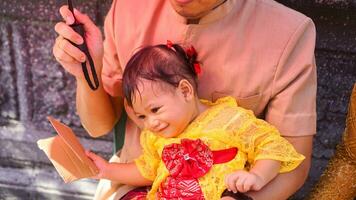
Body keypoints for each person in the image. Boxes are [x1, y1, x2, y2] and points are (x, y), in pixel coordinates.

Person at [52, 0, 317, 199]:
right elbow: (99, 126)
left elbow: (293, 162)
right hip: (131, 188)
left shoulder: (288, 32)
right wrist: (87, 69)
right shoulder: (128, 6)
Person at [85, 43, 305, 200]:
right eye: (142, 116)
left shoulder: (228, 119)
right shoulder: (157, 138)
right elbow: (146, 170)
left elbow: (271, 146)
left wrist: (258, 176)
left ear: (185, 91)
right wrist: (106, 170)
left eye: (155, 109)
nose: (151, 122)